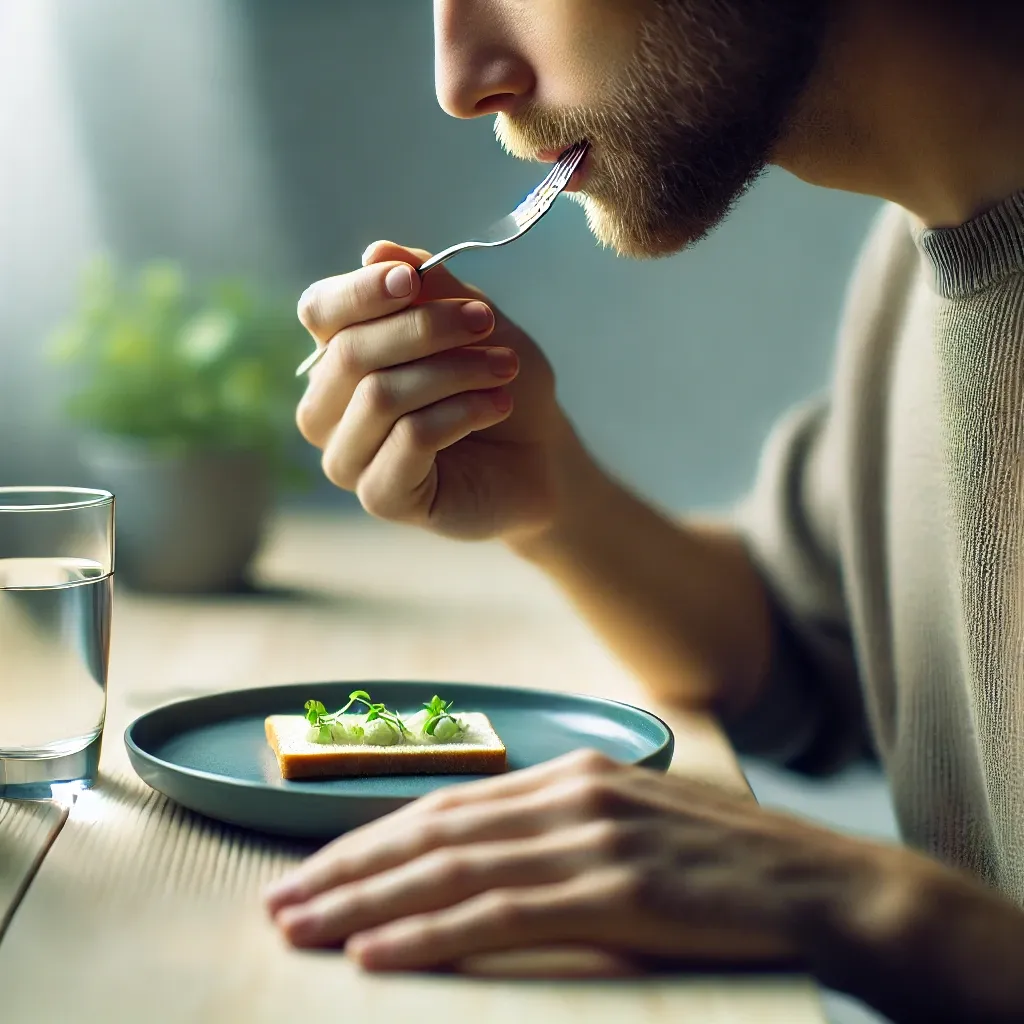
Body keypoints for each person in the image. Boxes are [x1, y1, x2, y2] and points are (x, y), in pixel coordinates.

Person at [263, 1, 1024, 1020]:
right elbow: (803, 642)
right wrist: (552, 500)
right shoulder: (918, 256)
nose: (460, 79)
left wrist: (873, 905)